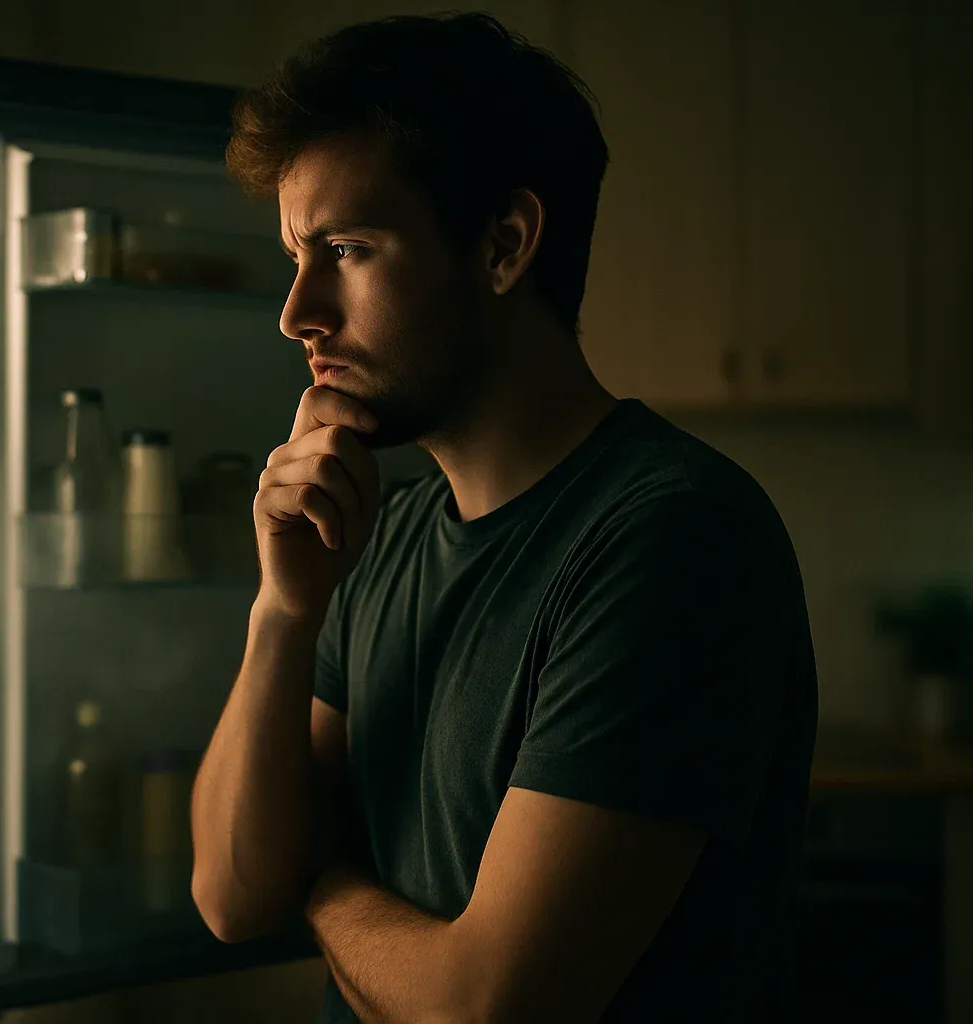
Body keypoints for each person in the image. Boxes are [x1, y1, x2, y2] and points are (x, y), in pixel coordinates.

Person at [188, 12, 818, 1023]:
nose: (297, 311)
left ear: (504, 244)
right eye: (299, 255)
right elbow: (231, 894)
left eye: (347, 248)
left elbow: (484, 1007)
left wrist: (321, 873)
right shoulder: (381, 536)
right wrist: (283, 611)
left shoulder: (673, 539)